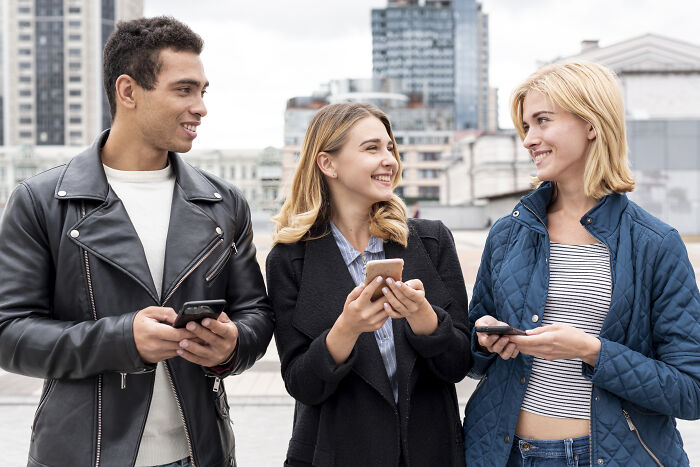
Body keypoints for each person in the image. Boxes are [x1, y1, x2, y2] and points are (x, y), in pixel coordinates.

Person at [0, 17, 273, 467]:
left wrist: (232, 345)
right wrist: (123, 338)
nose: (200, 107)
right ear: (128, 92)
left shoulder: (224, 203)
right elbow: (10, 334)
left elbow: (256, 315)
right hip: (80, 455)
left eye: (203, 91)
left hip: (199, 453)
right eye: (184, 90)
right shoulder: (41, 201)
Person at [463, 61, 700, 466]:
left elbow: (690, 392)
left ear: (591, 124)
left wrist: (592, 351)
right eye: (526, 126)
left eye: (542, 121)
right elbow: (472, 360)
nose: (528, 139)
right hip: (503, 454)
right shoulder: (508, 232)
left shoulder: (655, 244)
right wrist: (483, 337)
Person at [266, 102, 471, 466]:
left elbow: (459, 365)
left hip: (430, 452)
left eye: (390, 147)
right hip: (335, 454)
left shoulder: (431, 240)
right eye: (372, 148)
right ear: (328, 163)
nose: (389, 159)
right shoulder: (289, 259)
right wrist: (346, 329)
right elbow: (302, 384)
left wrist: (424, 318)